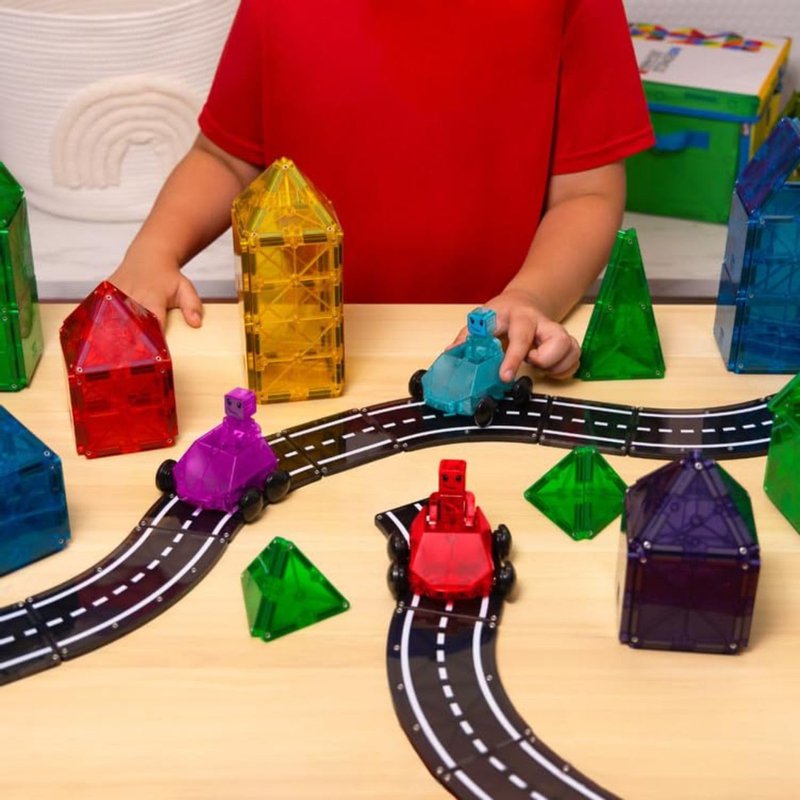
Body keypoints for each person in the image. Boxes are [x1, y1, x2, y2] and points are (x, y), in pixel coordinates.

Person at [109, 0, 654, 381]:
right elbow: (227, 159)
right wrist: (154, 251)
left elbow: (587, 194)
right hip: (300, 351)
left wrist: (532, 296)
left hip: (487, 355)